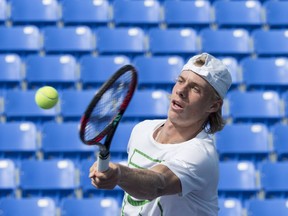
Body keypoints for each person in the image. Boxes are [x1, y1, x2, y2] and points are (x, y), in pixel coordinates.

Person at [89, 52, 232, 216]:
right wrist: (111, 172)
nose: (181, 91)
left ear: (213, 106)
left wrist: (119, 173)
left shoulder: (201, 154)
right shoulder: (142, 129)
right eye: (180, 81)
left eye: (195, 88)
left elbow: (157, 184)